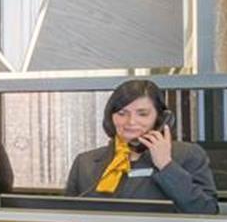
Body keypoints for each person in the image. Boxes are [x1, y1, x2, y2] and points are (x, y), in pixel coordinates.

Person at [64, 79, 217, 213]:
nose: (131, 122)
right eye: (122, 113)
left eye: (142, 114)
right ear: (111, 117)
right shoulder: (85, 162)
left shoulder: (187, 155)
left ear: (160, 118)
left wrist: (166, 165)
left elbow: (206, 210)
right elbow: (66, 220)